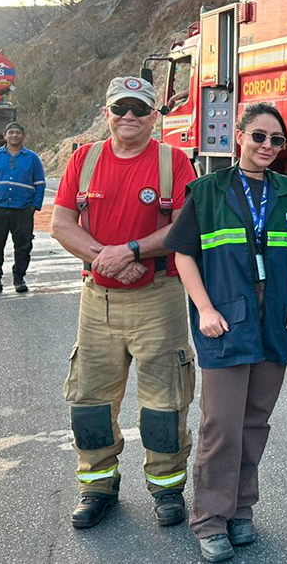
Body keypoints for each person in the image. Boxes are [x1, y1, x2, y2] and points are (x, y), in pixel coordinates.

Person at [163, 102, 287, 563]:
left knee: (254, 424)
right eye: (259, 136)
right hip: (225, 322)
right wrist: (204, 309)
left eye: (276, 140)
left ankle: (241, 510)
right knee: (222, 425)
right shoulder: (208, 191)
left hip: (275, 325)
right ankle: (210, 520)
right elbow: (183, 254)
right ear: (239, 137)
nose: (267, 146)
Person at [51, 76, 198, 530]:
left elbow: (185, 227)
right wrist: (110, 259)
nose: (129, 116)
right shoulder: (84, 159)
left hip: (159, 298)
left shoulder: (175, 162)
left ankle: (167, 488)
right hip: (99, 301)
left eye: (139, 109)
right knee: (90, 401)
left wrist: (131, 251)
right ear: (107, 113)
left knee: (164, 402)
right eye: (120, 108)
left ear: (154, 116)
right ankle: (97, 487)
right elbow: (61, 224)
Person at [0, 121, 45, 294]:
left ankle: (19, 278)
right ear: (5, 136)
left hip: (23, 210)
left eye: (18, 132)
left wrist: (34, 206)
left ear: (23, 136)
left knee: (23, 245)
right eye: (11, 132)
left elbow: (40, 184)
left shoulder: (32, 158)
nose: (14, 135)